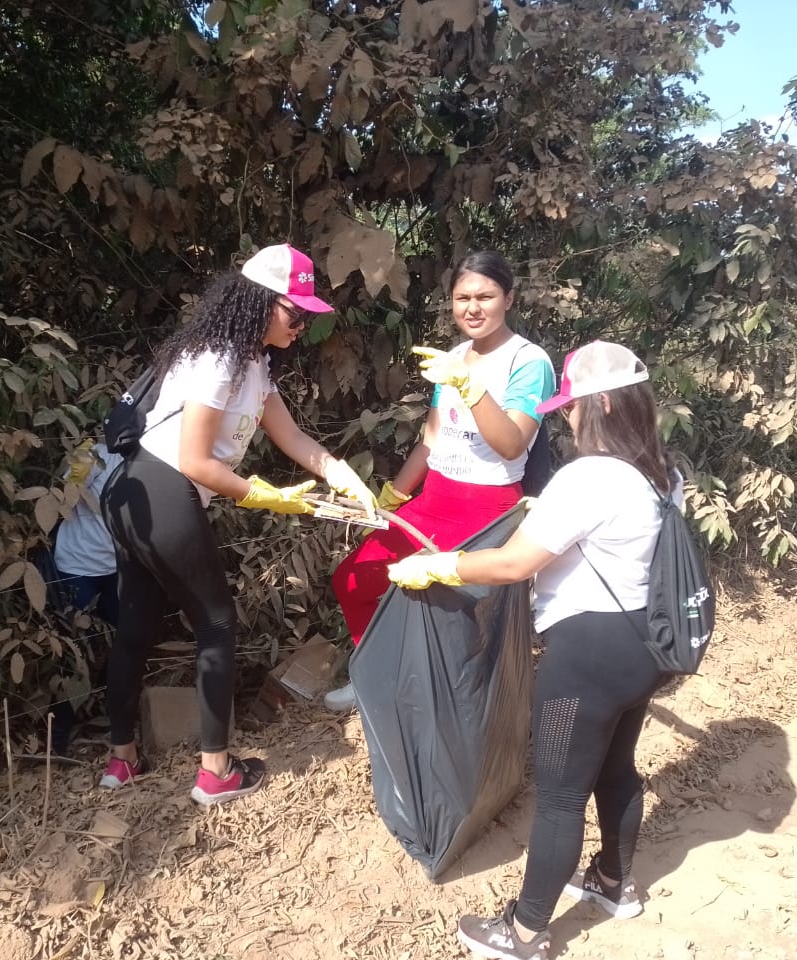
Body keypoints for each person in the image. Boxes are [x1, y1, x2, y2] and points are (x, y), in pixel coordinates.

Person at [387, 341, 680, 960]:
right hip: (643, 648)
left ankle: (523, 933)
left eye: (570, 406)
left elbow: (514, 564)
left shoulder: (589, 476)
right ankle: (614, 883)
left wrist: (440, 565)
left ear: (602, 404)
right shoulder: (663, 472)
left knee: (559, 798)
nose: (566, 418)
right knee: (617, 768)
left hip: (587, 657)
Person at [99, 243, 377, 804]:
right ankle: (216, 773)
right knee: (217, 621)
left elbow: (290, 435)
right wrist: (265, 497)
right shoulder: (218, 360)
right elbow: (196, 461)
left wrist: (339, 472)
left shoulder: (253, 363)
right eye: (293, 312)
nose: (301, 325)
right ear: (258, 302)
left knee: (137, 624)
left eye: (306, 315)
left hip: (139, 492)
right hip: (159, 487)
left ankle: (121, 762)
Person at [324, 251, 554, 711]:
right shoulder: (452, 358)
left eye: (485, 296)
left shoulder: (529, 362)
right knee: (354, 579)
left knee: (451, 610)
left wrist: (471, 387)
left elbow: (512, 445)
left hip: (488, 507)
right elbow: (432, 438)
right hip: (434, 498)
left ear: (508, 299)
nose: (473, 307)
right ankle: (378, 676)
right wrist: (394, 495)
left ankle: (450, 706)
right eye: (462, 298)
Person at [43, 440, 123, 754]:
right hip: (77, 566)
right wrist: (79, 466)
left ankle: (113, 718)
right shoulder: (94, 455)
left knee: (127, 639)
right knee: (75, 652)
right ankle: (57, 739)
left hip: (117, 567)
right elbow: (61, 499)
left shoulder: (151, 458)